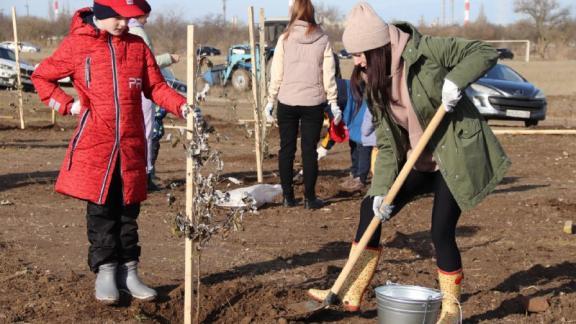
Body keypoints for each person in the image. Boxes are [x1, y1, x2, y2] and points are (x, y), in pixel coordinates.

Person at [306, 3, 511, 322]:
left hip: (451, 161)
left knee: (440, 230)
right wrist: (380, 190)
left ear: (376, 48)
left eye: (359, 54)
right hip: (417, 162)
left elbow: (484, 51)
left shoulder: (427, 50)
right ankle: (350, 291)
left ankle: (450, 309)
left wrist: (455, 80)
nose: (356, 62)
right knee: (369, 208)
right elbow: (387, 144)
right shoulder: (372, 79)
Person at [31, 0, 197, 304]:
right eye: (117, 17)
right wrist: (68, 105)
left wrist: (181, 106)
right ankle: (106, 271)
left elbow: (156, 87)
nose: (123, 23)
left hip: (131, 146)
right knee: (102, 212)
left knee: (128, 212)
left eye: (128, 18)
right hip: (96, 147)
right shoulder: (77, 45)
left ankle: (129, 272)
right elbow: (41, 77)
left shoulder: (136, 46)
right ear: (102, 13)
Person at [264, 0, 340, 210]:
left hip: (287, 101)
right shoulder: (322, 39)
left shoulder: (284, 38)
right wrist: (333, 101)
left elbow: (276, 73)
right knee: (309, 150)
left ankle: (288, 197)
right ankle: (309, 198)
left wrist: (271, 99)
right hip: (313, 103)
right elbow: (329, 75)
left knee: (286, 148)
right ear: (312, 13)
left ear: (294, 13)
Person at [128, 0, 180, 192]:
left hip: (139, 87)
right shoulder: (137, 32)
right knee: (147, 132)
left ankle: (144, 174)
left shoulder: (129, 30)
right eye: (145, 17)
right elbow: (147, 62)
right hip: (143, 89)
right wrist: (169, 58)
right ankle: (146, 175)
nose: (147, 21)